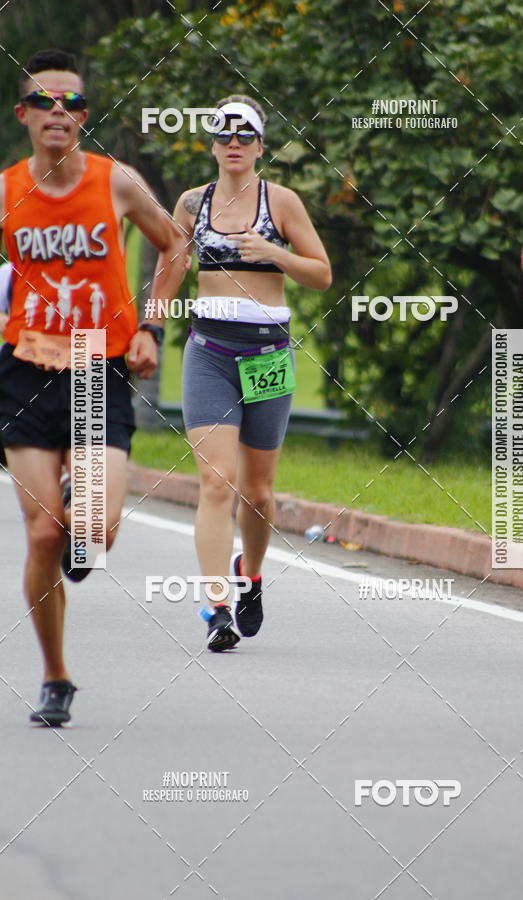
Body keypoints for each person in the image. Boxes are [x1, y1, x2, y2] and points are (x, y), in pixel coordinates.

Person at [0, 49, 187, 725]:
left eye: (72, 103)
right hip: (23, 370)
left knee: (95, 533)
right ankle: (55, 676)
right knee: (43, 535)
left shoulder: (117, 182)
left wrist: (152, 330)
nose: (59, 112)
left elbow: (174, 246)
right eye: (45, 101)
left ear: (84, 117)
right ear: (23, 115)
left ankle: (88, 503)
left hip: (95, 368)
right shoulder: (6, 189)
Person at [172, 95, 331, 651]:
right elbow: (172, 265)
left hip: (268, 353)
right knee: (217, 483)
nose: (233, 143)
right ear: (212, 145)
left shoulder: (281, 201)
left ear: (261, 146)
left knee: (258, 493)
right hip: (210, 350)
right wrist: (147, 326)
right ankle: (216, 609)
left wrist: (273, 252)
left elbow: (322, 274)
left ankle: (252, 577)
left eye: (245, 135)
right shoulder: (192, 203)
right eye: (223, 134)